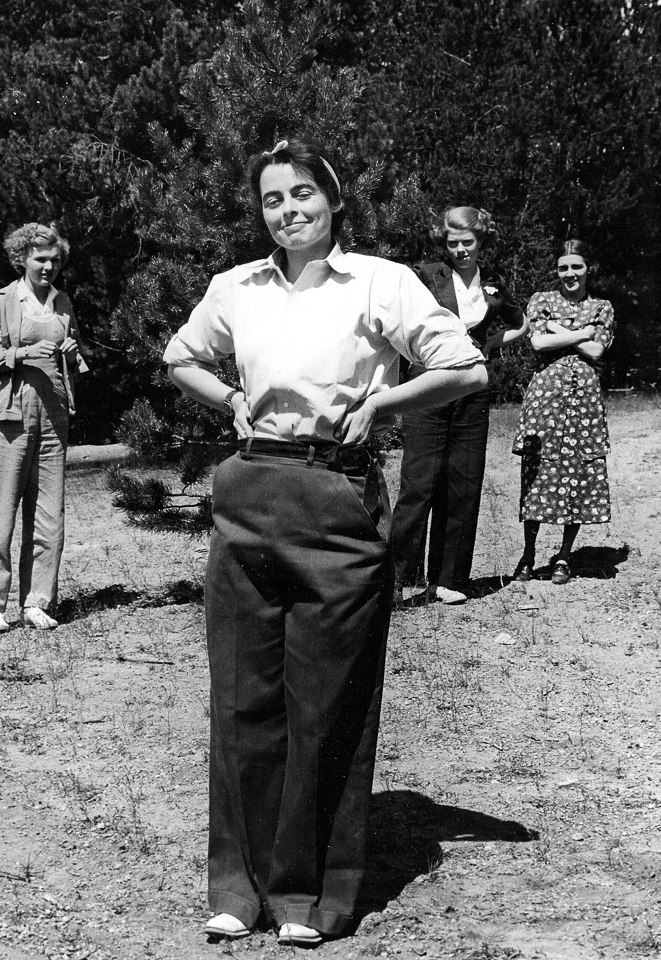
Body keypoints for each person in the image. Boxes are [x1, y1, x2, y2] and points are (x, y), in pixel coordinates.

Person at [163, 139, 487, 946]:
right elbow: (179, 355)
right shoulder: (235, 286)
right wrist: (231, 398)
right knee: (242, 702)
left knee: (328, 704)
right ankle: (239, 889)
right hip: (248, 495)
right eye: (273, 200)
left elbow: (466, 367)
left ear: (334, 201)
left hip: (337, 498)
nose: (289, 211)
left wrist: (383, 407)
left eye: (303, 194)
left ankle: (310, 896)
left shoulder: (379, 280)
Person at [392, 206, 527, 604]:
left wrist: (490, 345)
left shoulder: (495, 286)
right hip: (428, 386)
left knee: (463, 482)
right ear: (443, 243)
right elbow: (399, 319)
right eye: (453, 243)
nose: (461, 249)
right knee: (419, 483)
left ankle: (449, 580)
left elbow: (522, 322)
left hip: (472, 389)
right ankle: (396, 580)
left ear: (480, 241)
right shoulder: (425, 276)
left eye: (468, 242)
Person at [0, 222, 88, 633]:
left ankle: (37, 602)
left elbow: (71, 361)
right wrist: (20, 353)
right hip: (8, 420)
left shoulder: (63, 301)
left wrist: (72, 353)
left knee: (49, 518)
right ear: (22, 258)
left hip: (53, 420)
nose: (48, 267)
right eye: (40, 259)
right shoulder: (2, 302)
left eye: (55, 260)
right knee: (0, 517)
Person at [512, 240, 615, 585]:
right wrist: (579, 333)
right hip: (546, 397)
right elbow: (538, 343)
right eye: (563, 268)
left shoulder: (602, 307)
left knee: (578, 472)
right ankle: (528, 554)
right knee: (539, 470)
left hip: (583, 399)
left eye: (577, 267)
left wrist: (560, 330)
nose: (570, 274)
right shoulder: (541, 301)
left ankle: (564, 556)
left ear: (588, 269)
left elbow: (597, 350)